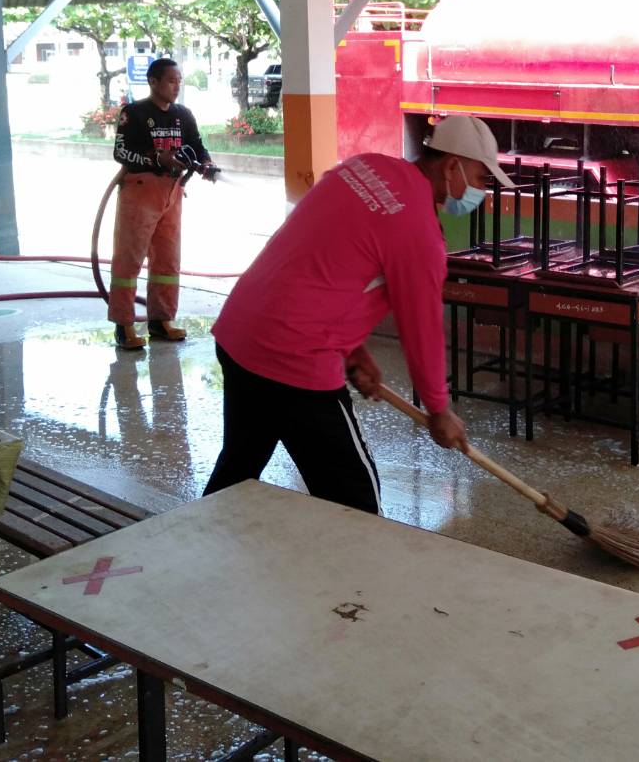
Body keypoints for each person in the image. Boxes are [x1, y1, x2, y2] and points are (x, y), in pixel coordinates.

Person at [202, 114, 512, 514]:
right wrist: (438, 409)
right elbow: (422, 329)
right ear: (452, 166)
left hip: (241, 331)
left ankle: (192, 542)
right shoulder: (419, 231)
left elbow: (323, 264)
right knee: (358, 505)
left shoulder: (364, 167)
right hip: (294, 359)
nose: (481, 191)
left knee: (237, 471)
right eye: (481, 178)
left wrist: (352, 350)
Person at [109, 57, 214, 351]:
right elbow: (121, 153)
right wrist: (157, 159)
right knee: (129, 259)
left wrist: (206, 163)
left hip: (173, 192)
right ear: (153, 82)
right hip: (140, 193)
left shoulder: (183, 114)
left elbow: (197, 145)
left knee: (167, 260)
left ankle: (161, 320)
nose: (176, 86)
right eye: (170, 81)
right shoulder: (134, 113)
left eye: (179, 80)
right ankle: (124, 325)